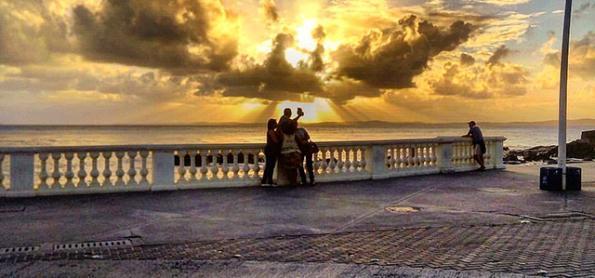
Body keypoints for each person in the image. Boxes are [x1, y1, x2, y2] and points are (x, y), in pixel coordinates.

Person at [278, 119, 302, 185]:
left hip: (285, 153)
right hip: (295, 152)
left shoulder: (283, 135)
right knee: (294, 169)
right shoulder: (294, 134)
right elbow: (300, 142)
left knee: (289, 169)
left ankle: (292, 181)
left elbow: (279, 142)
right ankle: (294, 181)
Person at [261, 119, 280, 186]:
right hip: (270, 150)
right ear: (272, 124)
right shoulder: (271, 132)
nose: (276, 124)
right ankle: (269, 181)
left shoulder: (271, 131)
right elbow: (276, 141)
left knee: (269, 166)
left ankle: (265, 181)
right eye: (275, 123)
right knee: (270, 166)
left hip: (271, 150)